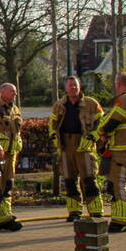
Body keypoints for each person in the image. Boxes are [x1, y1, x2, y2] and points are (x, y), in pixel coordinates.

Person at [92, 71, 126, 233]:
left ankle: (120, 221)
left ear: (118, 83)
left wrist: (97, 132)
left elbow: (112, 120)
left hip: (123, 148)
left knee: (117, 183)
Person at [48, 76, 104, 222]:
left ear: (80, 87)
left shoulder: (91, 104)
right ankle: (74, 212)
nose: (73, 88)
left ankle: (96, 211)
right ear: (66, 88)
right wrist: (54, 136)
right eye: (70, 85)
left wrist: (93, 136)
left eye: (75, 85)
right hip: (66, 146)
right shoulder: (59, 105)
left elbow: (102, 122)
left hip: (84, 146)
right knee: (69, 181)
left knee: (89, 179)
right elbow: (52, 123)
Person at [0, 83, 23, 232]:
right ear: (2, 91)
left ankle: (5, 215)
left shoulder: (14, 109)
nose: (15, 94)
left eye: (16, 92)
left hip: (11, 153)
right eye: (12, 91)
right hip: (0, 154)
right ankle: (1, 217)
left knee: (8, 185)